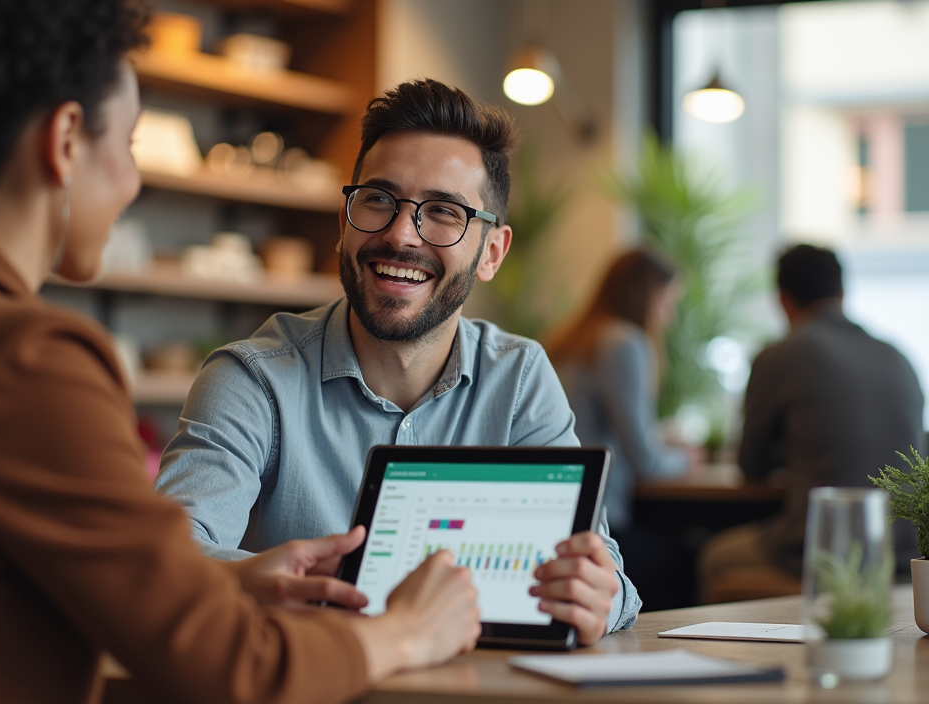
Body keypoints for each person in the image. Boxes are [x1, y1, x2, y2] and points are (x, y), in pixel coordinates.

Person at [0, 0, 482, 703]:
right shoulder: (24, 361)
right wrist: (406, 632)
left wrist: (235, 580)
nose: (136, 181)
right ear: (67, 140)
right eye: (134, 142)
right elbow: (227, 668)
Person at [156, 79, 642, 644]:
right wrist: (255, 581)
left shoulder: (519, 377)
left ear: (491, 252)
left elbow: (601, 564)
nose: (400, 234)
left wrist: (595, 597)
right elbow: (170, 554)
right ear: (344, 222)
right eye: (379, 200)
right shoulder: (254, 378)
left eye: (442, 212)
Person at [698, 244, 925, 602]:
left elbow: (751, 465)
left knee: (714, 556)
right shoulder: (897, 357)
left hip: (818, 550)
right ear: (842, 292)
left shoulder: (780, 355)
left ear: (784, 301)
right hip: (903, 554)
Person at [547, 248, 700, 609]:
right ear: (646, 297)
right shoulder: (624, 343)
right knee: (690, 552)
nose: (670, 316)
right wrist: (686, 459)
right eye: (667, 302)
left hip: (557, 515)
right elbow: (644, 460)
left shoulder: (572, 338)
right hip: (602, 524)